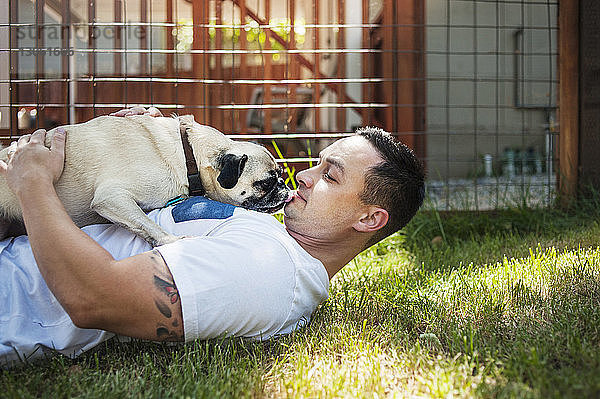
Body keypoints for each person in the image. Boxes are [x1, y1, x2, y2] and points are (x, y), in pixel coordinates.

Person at [0, 108, 425, 368]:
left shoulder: (267, 270)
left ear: (370, 219)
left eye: (330, 175)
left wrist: (32, 180)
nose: (307, 177)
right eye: (317, 164)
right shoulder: (263, 236)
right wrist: (138, 141)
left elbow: (90, 297)